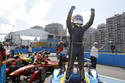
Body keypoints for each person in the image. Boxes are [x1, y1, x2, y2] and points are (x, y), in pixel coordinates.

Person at [65, 6, 95, 83]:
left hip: (81, 47)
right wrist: (71, 10)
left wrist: (92, 13)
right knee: (70, 64)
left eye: (80, 18)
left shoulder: (83, 28)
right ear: (74, 20)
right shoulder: (71, 28)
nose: (79, 20)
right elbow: (68, 20)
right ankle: (67, 78)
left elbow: (90, 23)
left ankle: (82, 78)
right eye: (77, 18)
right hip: (73, 46)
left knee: (81, 65)